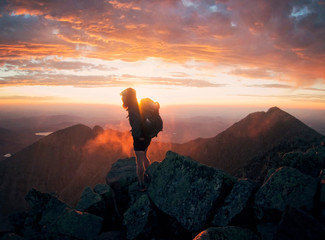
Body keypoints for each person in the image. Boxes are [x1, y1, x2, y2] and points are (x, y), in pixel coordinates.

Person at [120, 88, 151, 191]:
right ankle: (149, 174)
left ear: (128, 97)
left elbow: (137, 124)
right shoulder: (138, 105)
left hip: (140, 138)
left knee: (139, 161)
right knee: (145, 156)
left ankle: (141, 183)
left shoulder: (133, 109)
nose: (122, 99)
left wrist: (138, 137)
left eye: (123, 97)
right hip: (147, 136)